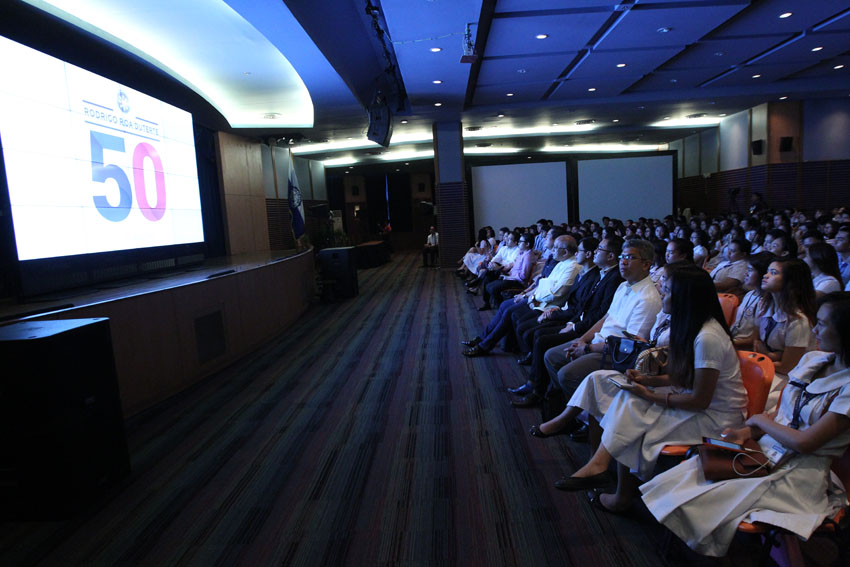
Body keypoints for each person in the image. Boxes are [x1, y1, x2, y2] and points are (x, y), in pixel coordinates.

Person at [641, 292, 850, 558]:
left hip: (799, 473)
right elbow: (785, 413)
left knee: (705, 496)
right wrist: (747, 431)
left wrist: (757, 420)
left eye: (823, 324)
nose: (815, 329)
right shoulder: (814, 361)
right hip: (764, 451)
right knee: (686, 478)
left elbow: (805, 442)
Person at [550, 266, 747, 515]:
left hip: (715, 418)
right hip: (694, 401)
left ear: (685, 297)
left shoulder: (708, 337)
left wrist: (650, 395)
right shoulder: (688, 325)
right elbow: (685, 376)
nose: (662, 295)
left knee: (632, 409)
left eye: (667, 291)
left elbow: (700, 399)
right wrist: (647, 381)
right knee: (626, 395)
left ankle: (615, 486)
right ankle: (603, 469)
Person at [542, 239, 662, 402]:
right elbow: (606, 318)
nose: (623, 262)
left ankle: (584, 417)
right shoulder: (623, 286)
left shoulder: (648, 298)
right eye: (622, 257)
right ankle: (570, 408)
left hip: (615, 355)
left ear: (646, 264)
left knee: (567, 374)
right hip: (599, 343)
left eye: (630, 258)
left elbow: (629, 346)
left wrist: (587, 348)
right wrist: (582, 339)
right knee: (551, 355)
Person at [755, 258, 817, 409]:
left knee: (758, 399)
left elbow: (787, 367)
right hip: (769, 365)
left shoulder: (799, 320)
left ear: (792, 283)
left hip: (790, 377)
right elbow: (756, 342)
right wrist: (774, 356)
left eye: (774, 273)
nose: (765, 275)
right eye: (767, 271)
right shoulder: (765, 305)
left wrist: (768, 355)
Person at [729, 252, 774, 349]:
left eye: (750, 270)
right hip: (734, 341)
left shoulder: (767, 302)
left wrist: (728, 343)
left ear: (763, 273)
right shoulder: (749, 295)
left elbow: (755, 339)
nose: (745, 273)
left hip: (745, 348)